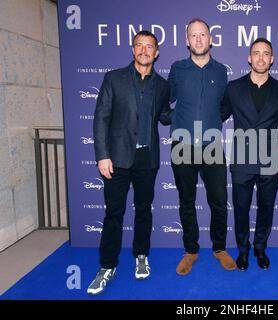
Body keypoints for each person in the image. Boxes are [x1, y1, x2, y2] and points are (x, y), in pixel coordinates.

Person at [87, 30, 171, 295]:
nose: (144, 50)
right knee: (114, 214)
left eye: (149, 47)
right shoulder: (114, 78)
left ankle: (141, 254)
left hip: (148, 159)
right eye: (139, 46)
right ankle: (107, 265)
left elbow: (166, 117)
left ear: (157, 53)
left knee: (144, 209)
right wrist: (102, 154)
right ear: (132, 50)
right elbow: (101, 118)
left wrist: (190, 106)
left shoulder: (163, 85)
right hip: (118, 159)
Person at [168, 18, 236, 275]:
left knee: (219, 200)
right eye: (193, 35)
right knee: (186, 200)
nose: (198, 39)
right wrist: (173, 120)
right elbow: (165, 100)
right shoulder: (177, 69)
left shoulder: (220, 71)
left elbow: (225, 105)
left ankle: (219, 247)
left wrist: (214, 120)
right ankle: (191, 250)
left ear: (211, 39)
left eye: (203, 35)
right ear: (187, 40)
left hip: (211, 146)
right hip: (182, 144)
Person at [221, 38, 278, 271]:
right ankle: (243, 250)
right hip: (242, 159)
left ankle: (260, 248)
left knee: (266, 208)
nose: (261, 57)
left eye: (266, 53)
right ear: (249, 58)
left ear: (272, 59)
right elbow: (217, 115)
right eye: (256, 53)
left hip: (270, 159)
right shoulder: (233, 87)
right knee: (240, 210)